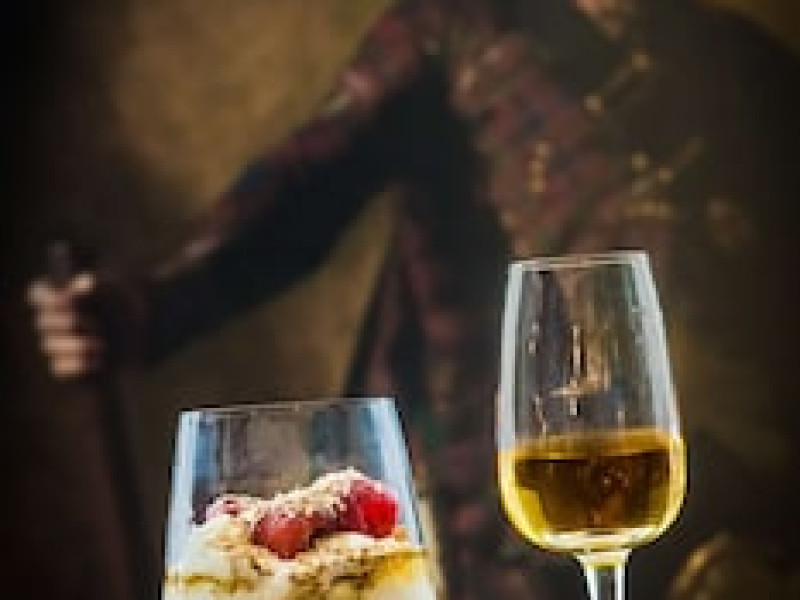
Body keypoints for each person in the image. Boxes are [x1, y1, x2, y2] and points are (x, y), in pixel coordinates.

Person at [27, 1, 800, 598]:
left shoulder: (739, 63)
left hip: (706, 511)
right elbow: (303, 190)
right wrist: (146, 306)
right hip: (486, 502)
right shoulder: (460, 26)